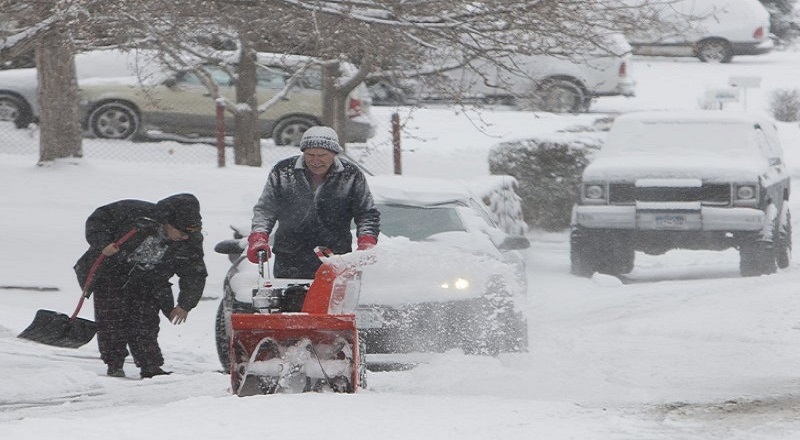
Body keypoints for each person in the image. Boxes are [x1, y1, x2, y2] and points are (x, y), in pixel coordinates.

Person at [74, 193, 207, 379]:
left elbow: (194, 272)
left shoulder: (190, 241)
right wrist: (103, 243)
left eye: (189, 234)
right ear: (167, 222)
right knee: (111, 320)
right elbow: (99, 219)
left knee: (145, 324)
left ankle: (151, 366)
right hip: (112, 273)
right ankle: (114, 363)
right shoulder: (135, 214)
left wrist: (185, 304)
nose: (185, 237)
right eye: (181, 231)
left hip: (149, 281)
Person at [248, 126, 380, 278]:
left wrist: (366, 243)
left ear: (334, 154)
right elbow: (266, 210)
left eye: (322, 155)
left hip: (334, 259)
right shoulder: (283, 172)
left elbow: (366, 213)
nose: (315, 161)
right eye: (310, 155)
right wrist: (258, 238)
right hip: (289, 259)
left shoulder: (351, 175)